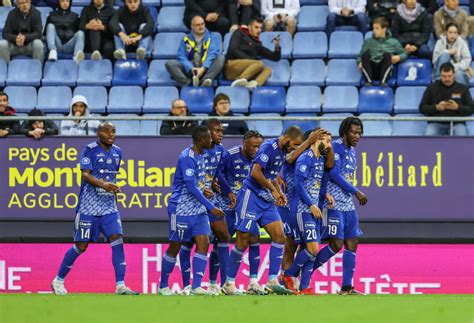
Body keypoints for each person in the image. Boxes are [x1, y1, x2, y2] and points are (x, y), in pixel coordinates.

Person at [51, 122, 139, 295]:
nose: (111, 134)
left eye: (114, 131)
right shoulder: (89, 150)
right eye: (107, 131)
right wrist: (103, 184)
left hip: (109, 207)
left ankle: (120, 285)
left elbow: (111, 176)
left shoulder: (118, 152)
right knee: (81, 246)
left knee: (117, 240)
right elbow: (85, 175)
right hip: (88, 207)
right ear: (98, 133)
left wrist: (112, 190)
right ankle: (58, 281)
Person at [222, 126, 304, 295]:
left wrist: (279, 192)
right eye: (294, 144)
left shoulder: (282, 151)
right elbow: (255, 173)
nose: (295, 148)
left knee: (279, 236)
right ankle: (229, 284)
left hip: (266, 201)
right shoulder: (268, 147)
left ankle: (272, 281)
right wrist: (273, 190)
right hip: (250, 197)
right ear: (286, 138)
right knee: (243, 240)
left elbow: (271, 176)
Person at [158, 126, 225, 296]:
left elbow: (198, 184)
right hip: (180, 209)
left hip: (198, 210)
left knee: (204, 242)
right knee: (175, 246)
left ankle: (196, 287)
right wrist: (211, 207)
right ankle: (163, 286)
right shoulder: (186, 158)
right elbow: (190, 187)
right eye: (209, 138)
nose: (212, 140)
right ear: (201, 139)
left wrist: (206, 189)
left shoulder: (201, 156)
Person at [312, 117, 368, 295]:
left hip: (347, 204)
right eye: (353, 132)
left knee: (352, 242)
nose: (357, 136)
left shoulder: (352, 151)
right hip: (333, 202)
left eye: (359, 133)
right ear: (344, 132)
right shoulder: (336, 147)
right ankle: (300, 275)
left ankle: (346, 287)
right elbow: (335, 174)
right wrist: (356, 191)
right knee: (336, 244)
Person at [210, 130, 265, 294]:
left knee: (254, 237)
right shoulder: (230, 155)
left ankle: (253, 282)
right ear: (244, 144)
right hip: (228, 207)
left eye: (259, 146)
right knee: (221, 242)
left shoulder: (261, 158)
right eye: (253, 146)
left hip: (248, 207)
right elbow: (217, 173)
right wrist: (228, 192)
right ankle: (214, 283)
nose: (257, 149)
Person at [280, 133, 335, 295]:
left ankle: (304, 286)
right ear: (317, 139)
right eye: (327, 140)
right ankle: (288, 275)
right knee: (311, 248)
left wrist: (324, 195)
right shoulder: (305, 158)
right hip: (302, 209)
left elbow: (317, 183)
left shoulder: (319, 160)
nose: (330, 145)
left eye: (331, 141)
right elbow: (299, 184)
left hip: (315, 209)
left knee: (310, 248)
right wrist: (311, 204)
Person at [165, 16, 224, 87]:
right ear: (192, 27)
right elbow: (181, 56)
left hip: (207, 68)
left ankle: (205, 81)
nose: (201, 27)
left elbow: (212, 54)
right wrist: (191, 68)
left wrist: (203, 68)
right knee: (170, 64)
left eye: (202, 24)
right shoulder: (185, 39)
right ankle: (189, 83)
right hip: (191, 69)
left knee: (221, 58)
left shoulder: (213, 37)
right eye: (198, 25)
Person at [225, 18, 281, 90]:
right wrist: (251, 61)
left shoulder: (257, 44)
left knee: (268, 69)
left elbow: (275, 58)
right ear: (249, 27)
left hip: (248, 71)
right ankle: (240, 80)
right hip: (232, 66)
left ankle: (253, 85)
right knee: (259, 64)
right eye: (256, 27)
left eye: (260, 28)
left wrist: (277, 46)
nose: (259, 30)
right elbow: (233, 50)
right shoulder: (239, 33)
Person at [419, 62, 473, 136]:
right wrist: (436, 107)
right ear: (440, 75)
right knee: (429, 135)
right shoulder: (431, 88)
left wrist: (457, 107)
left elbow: (471, 109)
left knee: (462, 136)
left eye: (449, 76)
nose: (447, 79)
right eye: (444, 76)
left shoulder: (463, 88)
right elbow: (422, 108)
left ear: (454, 75)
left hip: (457, 123)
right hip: (436, 122)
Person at [358, 17, 408, 85]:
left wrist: (399, 57)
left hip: (385, 70)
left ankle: (383, 82)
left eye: (377, 28)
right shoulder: (368, 42)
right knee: (365, 55)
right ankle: (368, 82)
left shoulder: (394, 42)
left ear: (384, 29)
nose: (374, 31)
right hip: (371, 70)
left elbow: (404, 53)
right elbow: (360, 56)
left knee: (387, 55)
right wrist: (360, 62)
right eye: (373, 28)